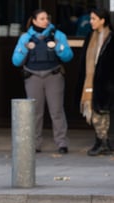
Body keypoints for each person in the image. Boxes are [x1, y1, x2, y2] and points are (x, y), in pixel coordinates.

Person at [12, 9, 73, 154]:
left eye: (47, 18)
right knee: (35, 112)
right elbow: (16, 61)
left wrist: (58, 46)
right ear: (34, 21)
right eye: (42, 18)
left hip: (53, 75)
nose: (46, 21)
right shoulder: (26, 37)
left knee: (56, 111)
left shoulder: (58, 35)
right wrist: (25, 49)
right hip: (33, 77)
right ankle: (35, 143)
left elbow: (68, 56)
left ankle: (62, 143)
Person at [76, 8, 114, 156]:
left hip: (106, 83)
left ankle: (102, 142)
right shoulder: (90, 36)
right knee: (95, 111)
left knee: (101, 112)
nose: (91, 22)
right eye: (91, 18)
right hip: (91, 81)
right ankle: (102, 141)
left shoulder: (110, 38)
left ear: (102, 20)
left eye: (94, 19)